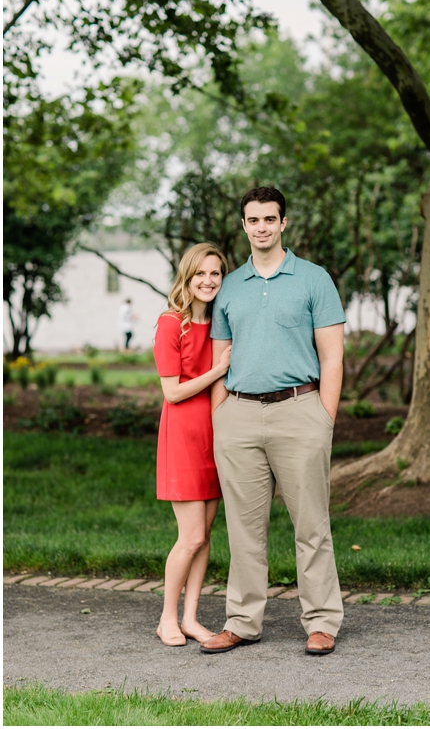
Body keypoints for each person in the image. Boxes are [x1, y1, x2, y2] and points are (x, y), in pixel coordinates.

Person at [200, 186, 346, 657]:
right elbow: (220, 357)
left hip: (300, 411)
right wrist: (221, 414)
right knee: (243, 528)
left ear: (283, 223)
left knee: (311, 524)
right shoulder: (230, 286)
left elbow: (333, 356)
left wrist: (324, 417)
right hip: (238, 415)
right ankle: (242, 621)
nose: (261, 226)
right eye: (253, 219)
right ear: (243, 225)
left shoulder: (314, 279)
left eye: (270, 218)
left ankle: (322, 621)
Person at [152, 243, 231, 647]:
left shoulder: (221, 321)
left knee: (205, 534)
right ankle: (166, 618)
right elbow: (173, 392)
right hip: (183, 437)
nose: (208, 281)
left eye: (215, 273)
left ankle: (191, 618)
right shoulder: (171, 323)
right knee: (191, 536)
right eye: (200, 273)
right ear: (187, 276)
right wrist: (218, 369)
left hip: (215, 437)